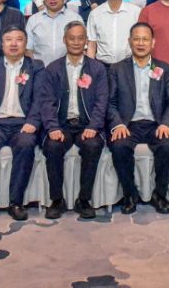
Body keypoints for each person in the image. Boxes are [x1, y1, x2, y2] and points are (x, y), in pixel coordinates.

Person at [107, 22, 169, 215]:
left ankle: (160, 195)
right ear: (129, 41)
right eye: (136, 39)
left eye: (145, 39)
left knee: (168, 144)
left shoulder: (165, 69)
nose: (141, 43)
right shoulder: (117, 69)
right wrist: (118, 124)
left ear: (153, 42)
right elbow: (110, 103)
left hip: (156, 123)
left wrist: (166, 123)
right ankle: (130, 195)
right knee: (119, 146)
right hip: (128, 124)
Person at [37, 22, 107, 220]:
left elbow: (102, 101)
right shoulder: (53, 69)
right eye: (72, 38)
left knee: (93, 146)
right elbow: (46, 102)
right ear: (64, 40)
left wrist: (93, 126)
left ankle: (83, 200)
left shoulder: (97, 68)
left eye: (80, 38)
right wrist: (52, 127)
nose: (76, 42)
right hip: (62, 125)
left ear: (86, 41)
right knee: (52, 146)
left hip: (87, 125)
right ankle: (57, 200)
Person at [0, 27, 43, 221]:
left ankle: (16, 203)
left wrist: (33, 122)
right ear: (1, 44)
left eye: (19, 39)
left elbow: (40, 98)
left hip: (22, 124)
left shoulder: (35, 66)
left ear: (25, 43)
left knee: (26, 144)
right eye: (8, 39)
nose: (13, 43)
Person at [86, 0, 141, 64]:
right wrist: (90, 68)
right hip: (102, 66)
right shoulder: (95, 14)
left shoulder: (136, 12)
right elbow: (92, 44)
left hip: (128, 66)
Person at [26, 0, 82, 66]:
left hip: (68, 70)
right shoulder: (33, 20)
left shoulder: (75, 18)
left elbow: (82, 48)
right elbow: (28, 50)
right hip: (40, 70)